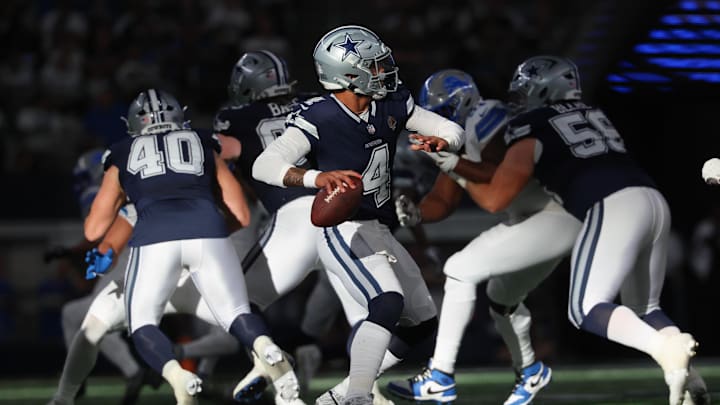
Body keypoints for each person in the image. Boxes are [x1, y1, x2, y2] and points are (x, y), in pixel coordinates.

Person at [461, 55, 703, 405]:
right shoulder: (593, 113)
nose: (519, 100)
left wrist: (456, 164)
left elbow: (498, 196)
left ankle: (666, 348)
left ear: (545, 89)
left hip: (611, 204)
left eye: (524, 92)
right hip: (652, 198)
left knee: (585, 308)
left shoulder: (531, 124)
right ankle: (689, 380)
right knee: (645, 308)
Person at [251, 25, 464, 405]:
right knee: (387, 301)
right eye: (375, 65)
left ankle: (337, 396)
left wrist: (443, 141)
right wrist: (317, 178)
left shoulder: (392, 101)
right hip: (341, 226)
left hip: (379, 227)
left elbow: (450, 128)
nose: (384, 70)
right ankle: (358, 397)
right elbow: (263, 165)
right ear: (348, 74)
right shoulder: (320, 115)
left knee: (422, 324)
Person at [83, 88, 301, 405]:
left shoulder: (121, 151)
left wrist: (124, 199)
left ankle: (179, 377)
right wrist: (207, 233)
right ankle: (265, 346)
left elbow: (93, 229)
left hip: (154, 237)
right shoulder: (201, 141)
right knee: (237, 314)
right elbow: (241, 214)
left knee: (142, 322)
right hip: (208, 232)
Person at [385, 69, 582, 405]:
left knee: (459, 269)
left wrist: (455, 162)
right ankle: (530, 370)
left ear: (460, 105)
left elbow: (499, 173)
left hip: (555, 213)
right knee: (502, 300)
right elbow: (444, 199)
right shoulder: (458, 140)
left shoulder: (486, 115)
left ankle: (440, 375)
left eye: (439, 115)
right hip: (536, 220)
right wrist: (416, 213)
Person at [47, 149, 160, 405]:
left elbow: (100, 235)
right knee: (80, 315)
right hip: (141, 254)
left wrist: (69, 252)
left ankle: (130, 372)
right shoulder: (135, 183)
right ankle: (131, 371)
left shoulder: (103, 191)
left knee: (92, 316)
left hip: (127, 255)